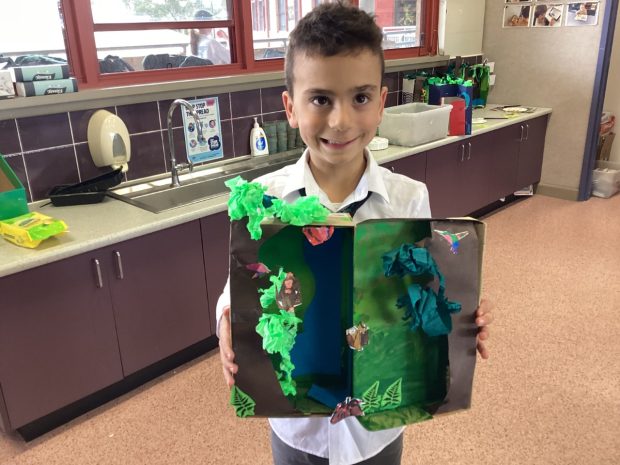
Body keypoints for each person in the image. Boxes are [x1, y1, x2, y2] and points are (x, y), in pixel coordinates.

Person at [216, 2, 494, 464]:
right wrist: (227, 319)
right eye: (320, 99)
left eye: (360, 98)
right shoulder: (263, 200)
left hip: (376, 427)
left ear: (381, 103)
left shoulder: (409, 199)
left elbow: (425, 286)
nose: (341, 121)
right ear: (290, 108)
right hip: (298, 426)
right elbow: (239, 287)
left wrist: (462, 319)